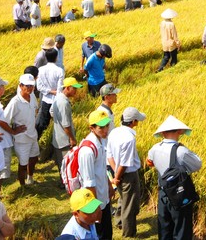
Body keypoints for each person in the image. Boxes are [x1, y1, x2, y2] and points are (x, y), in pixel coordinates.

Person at [147, 115, 202, 240]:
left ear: (163, 133)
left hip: (163, 194)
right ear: (179, 131)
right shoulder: (181, 151)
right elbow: (198, 165)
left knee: (164, 229)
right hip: (179, 194)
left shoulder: (155, 148)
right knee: (181, 230)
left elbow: (149, 162)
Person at [106, 107, 147, 238]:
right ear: (133, 121)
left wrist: (114, 173)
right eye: (137, 120)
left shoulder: (114, 132)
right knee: (129, 203)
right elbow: (124, 162)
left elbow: (109, 155)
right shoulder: (129, 138)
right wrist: (118, 177)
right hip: (128, 174)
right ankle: (128, 233)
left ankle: (119, 221)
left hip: (116, 171)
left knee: (123, 198)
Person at [78, 109, 115, 239]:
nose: (106, 129)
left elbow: (101, 169)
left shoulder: (101, 141)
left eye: (107, 125)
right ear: (91, 128)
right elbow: (89, 182)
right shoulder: (87, 150)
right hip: (96, 201)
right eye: (101, 127)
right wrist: (95, 209)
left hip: (103, 198)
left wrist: (109, 186)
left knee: (107, 233)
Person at [4, 74, 39, 186]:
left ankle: (30, 177)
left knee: (33, 157)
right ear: (20, 86)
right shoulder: (15, 102)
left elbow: (35, 109)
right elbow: (3, 120)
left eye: (31, 86)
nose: (30, 88)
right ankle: (22, 185)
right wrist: (13, 131)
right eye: (27, 86)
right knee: (23, 164)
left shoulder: (32, 96)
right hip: (22, 138)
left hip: (33, 135)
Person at [50, 77, 83, 175]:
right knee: (66, 165)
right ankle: (65, 184)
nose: (76, 91)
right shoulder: (64, 103)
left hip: (58, 137)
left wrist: (57, 119)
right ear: (67, 88)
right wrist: (72, 139)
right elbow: (66, 125)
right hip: (64, 141)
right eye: (74, 88)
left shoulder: (58, 97)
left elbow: (51, 111)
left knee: (62, 163)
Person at [35, 48, 64, 140]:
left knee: (43, 123)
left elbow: (39, 87)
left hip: (45, 100)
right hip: (57, 101)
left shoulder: (40, 69)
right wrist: (55, 92)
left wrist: (50, 91)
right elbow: (59, 89)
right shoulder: (59, 70)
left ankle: (38, 140)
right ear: (56, 58)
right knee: (59, 123)